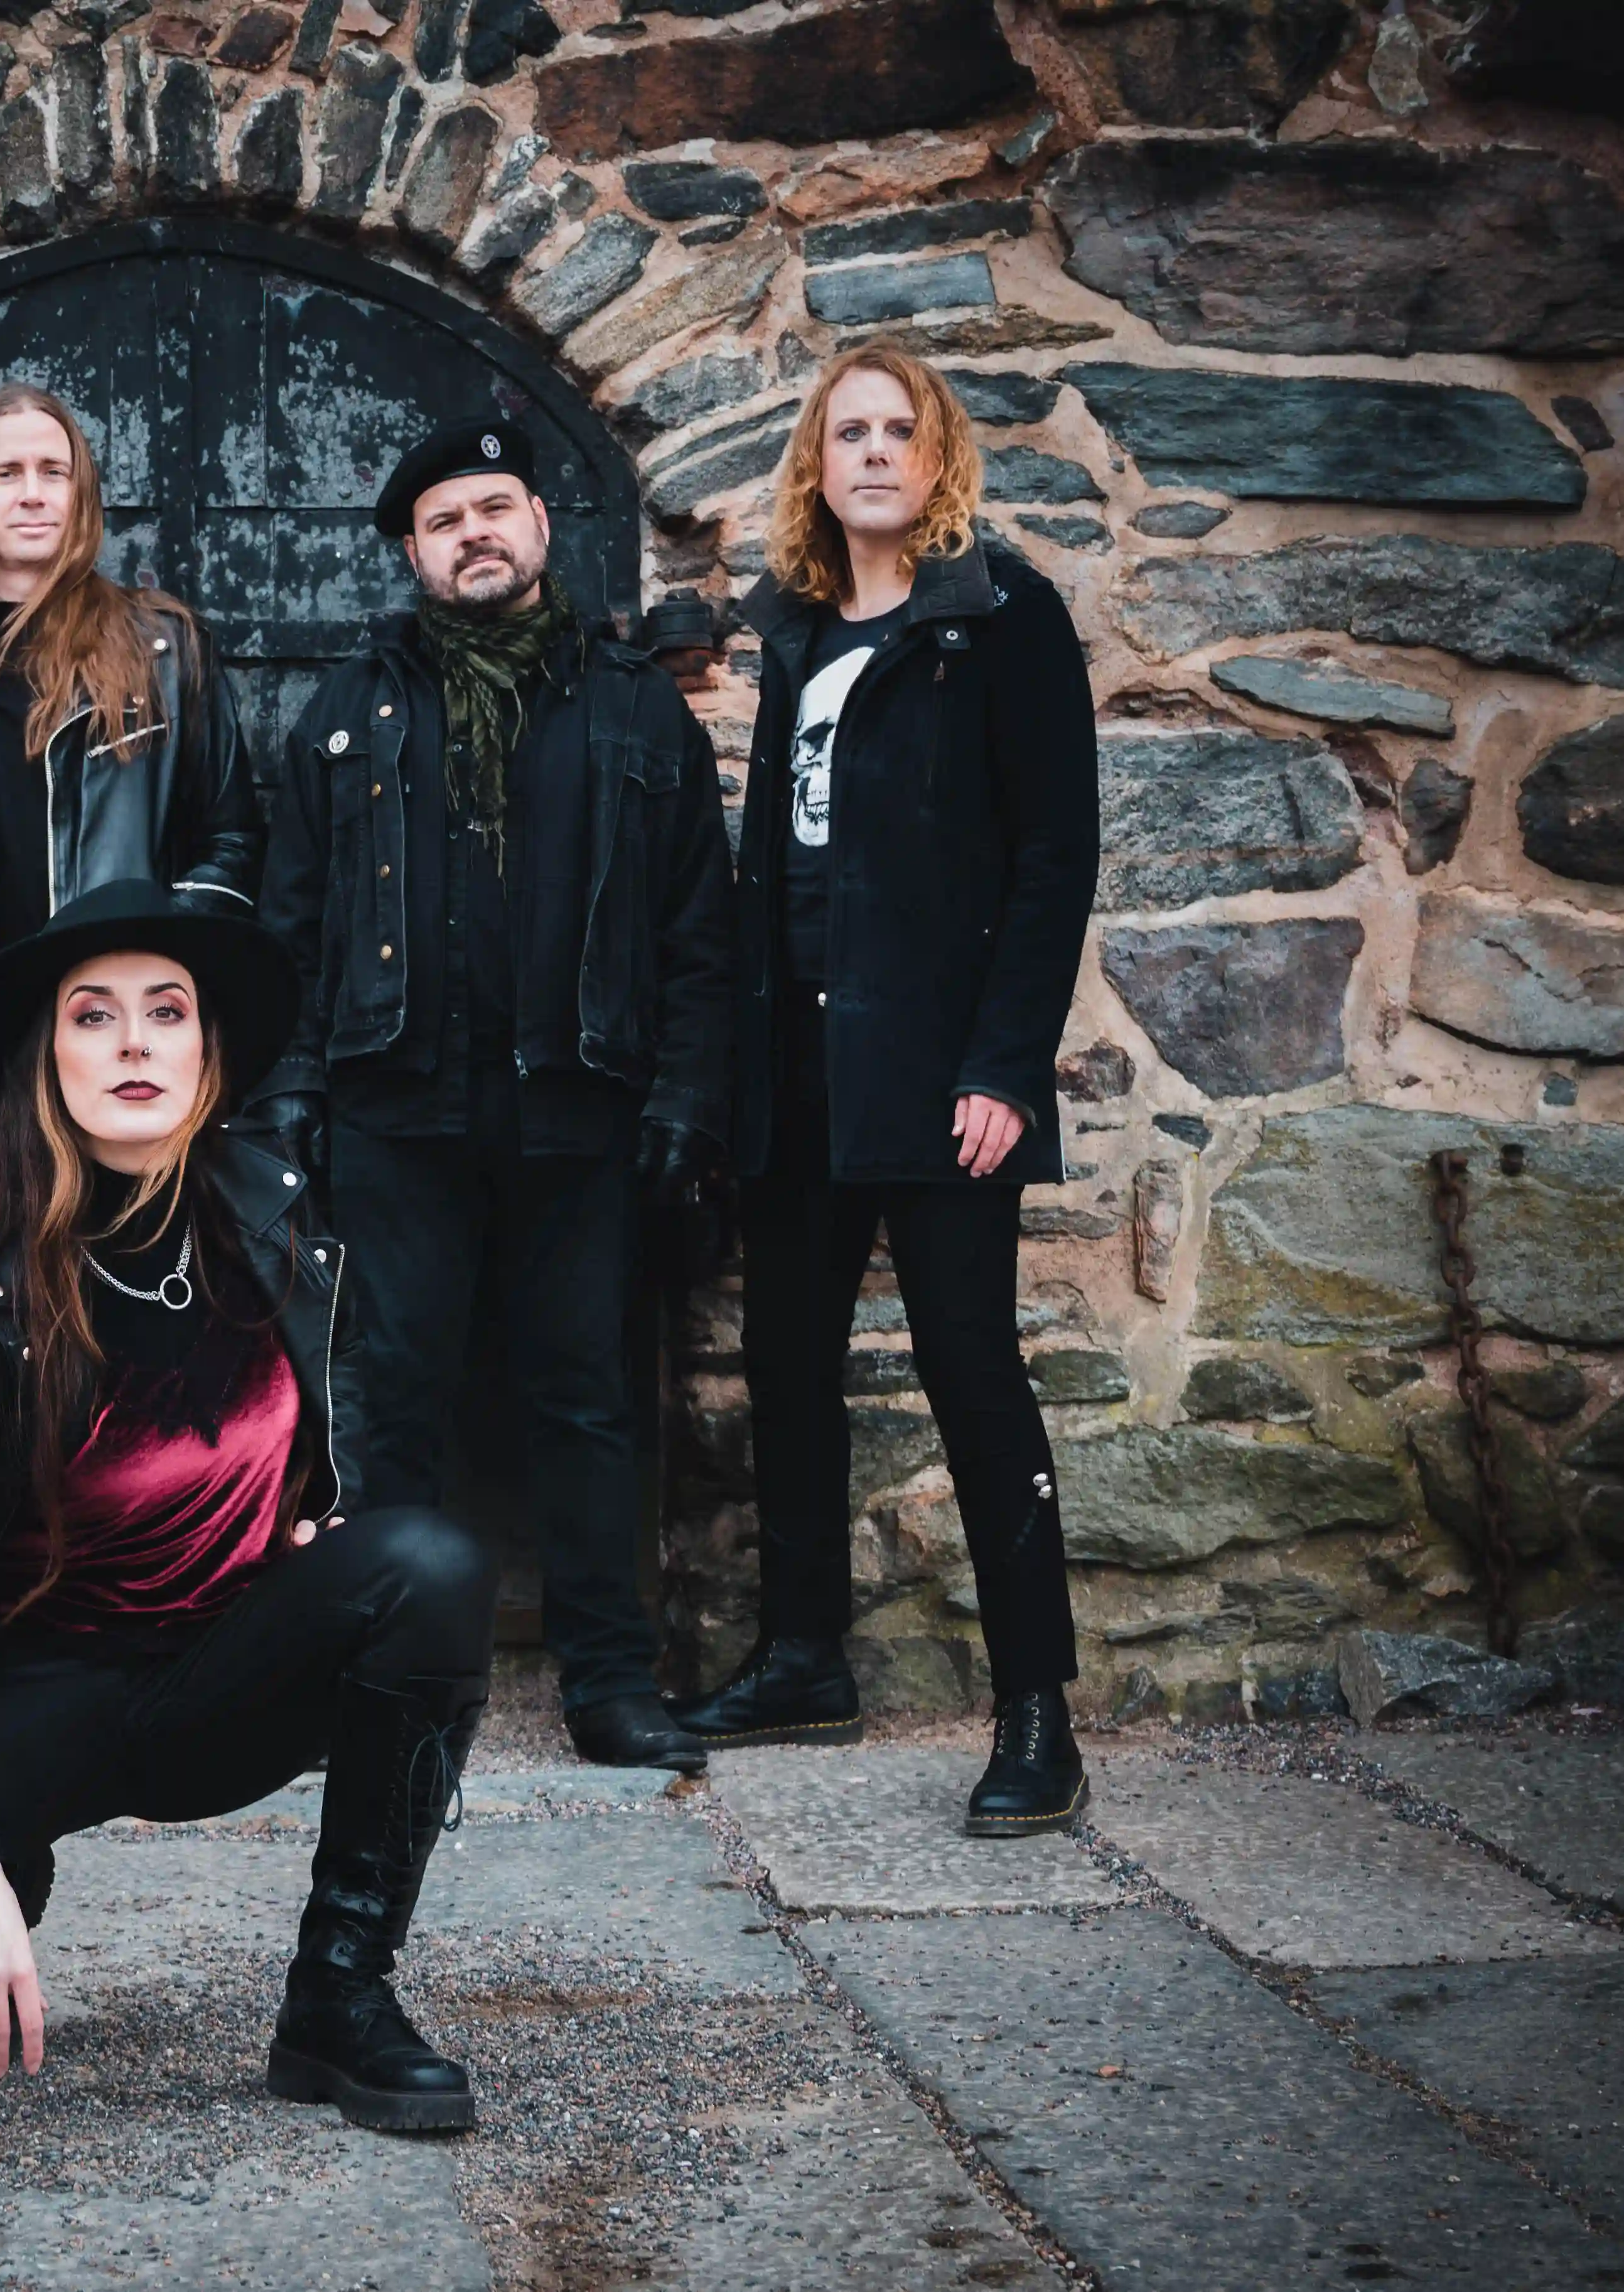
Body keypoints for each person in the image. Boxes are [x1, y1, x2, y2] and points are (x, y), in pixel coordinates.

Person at [0, 879, 498, 2135]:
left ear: (207, 1052)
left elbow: (346, 1420)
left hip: (214, 1680)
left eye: (166, 1013)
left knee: (427, 1565)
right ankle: (12, 1870)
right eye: (93, 1017)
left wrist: (331, 1515)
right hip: (19, 1704)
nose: (134, 1044)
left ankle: (340, 1997)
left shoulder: (277, 1222)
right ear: (47, 1059)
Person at [250, 417, 736, 1773]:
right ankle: (381, 1681)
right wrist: (288, 1095)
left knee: (585, 1398)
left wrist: (686, 1103)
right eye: (446, 518)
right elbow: (292, 926)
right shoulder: (347, 711)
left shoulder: (636, 708)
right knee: (392, 1402)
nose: (476, 532)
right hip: (396, 1109)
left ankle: (607, 1680)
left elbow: (700, 929)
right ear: (413, 551)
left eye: (496, 507)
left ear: (539, 527)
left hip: (580, 1111)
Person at [665, 343, 1100, 1839]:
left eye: (892, 430)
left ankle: (1035, 1710)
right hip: (798, 1063)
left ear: (935, 460)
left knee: (970, 1375)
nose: (866, 453)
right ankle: (801, 1658)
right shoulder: (792, 630)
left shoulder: (999, 620)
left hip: (935, 1072)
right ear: (813, 461)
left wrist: (1000, 1067)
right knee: (786, 1362)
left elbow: (1051, 860)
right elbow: (773, 868)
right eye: (841, 430)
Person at [0, 385, 260, 1178]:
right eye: (7, 473)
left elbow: (229, 835)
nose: (32, 492)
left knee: (120, 1280)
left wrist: (156, 942)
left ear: (80, 493)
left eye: (53, 472)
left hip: (119, 1046)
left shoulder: (165, 649)